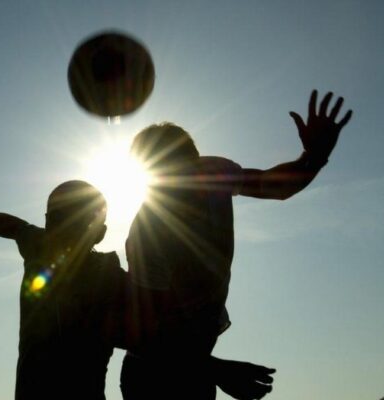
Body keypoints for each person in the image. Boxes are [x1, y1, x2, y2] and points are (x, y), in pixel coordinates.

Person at [0, 181, 275, 400]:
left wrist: (212, 369)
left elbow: (147, 342)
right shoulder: (41, 249)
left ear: (98, 232)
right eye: (54, 218)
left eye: (70, 219)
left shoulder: (109, 278)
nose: (56, 228)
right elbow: (10, 224)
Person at [120, 90, 352, 399]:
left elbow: (277, 187)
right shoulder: (149, 233)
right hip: (153, 374)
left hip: (197, 363)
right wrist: (216, 370)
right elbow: (146, 337)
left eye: (188, 171)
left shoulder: (216, 174)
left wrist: (315, 156)